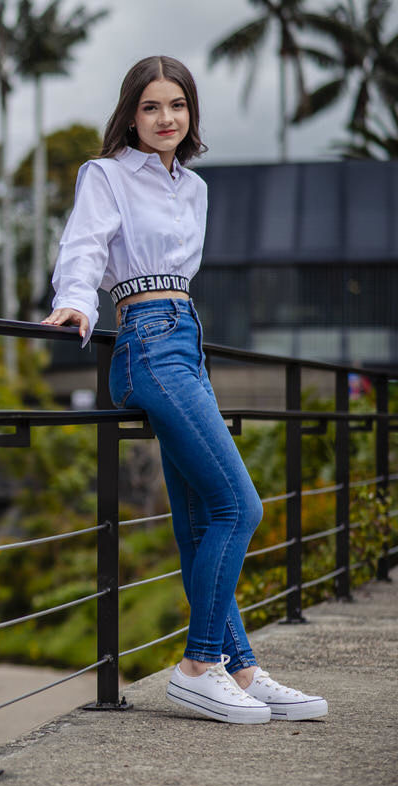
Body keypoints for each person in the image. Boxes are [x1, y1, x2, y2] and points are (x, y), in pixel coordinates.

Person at [41, 55, 327, 724]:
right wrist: (76, 303)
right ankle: (199, 664)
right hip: (144, 342)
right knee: (240, 507)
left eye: (177, 105)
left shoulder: (194, 189)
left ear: (191, 113)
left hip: (187, 342)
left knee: (202, 519)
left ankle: (243, 668)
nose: (165, 118)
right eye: (150, 107)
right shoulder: (105, 174)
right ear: (130, 115)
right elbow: (85, 247)